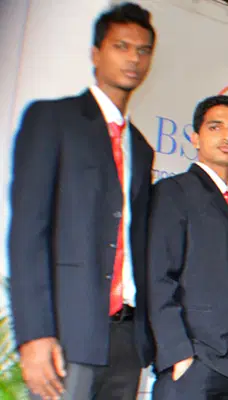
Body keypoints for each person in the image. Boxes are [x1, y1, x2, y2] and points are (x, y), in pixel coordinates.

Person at [7, 3, 156, 398]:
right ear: (96, 53)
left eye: (143, 50)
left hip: (126, 341)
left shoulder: (141, 148)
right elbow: (27, 232)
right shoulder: (52, 119)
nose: (133, 58)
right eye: (121, 46)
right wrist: (34, 335)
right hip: (66, 335)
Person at [148, 95, 228, 398]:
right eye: (216, 127)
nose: (227, 136)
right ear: (195, 137)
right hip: (195, 363)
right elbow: (158, 276)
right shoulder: (174, 192)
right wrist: (178, 353)